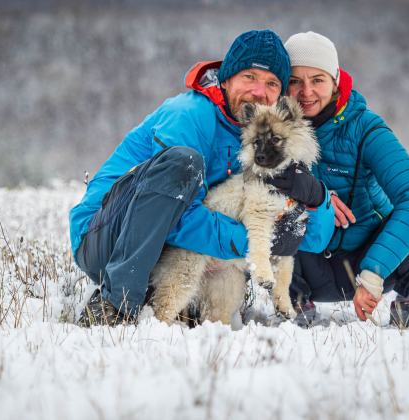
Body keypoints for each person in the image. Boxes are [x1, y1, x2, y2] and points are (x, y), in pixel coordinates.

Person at [69, 30, 335, 326]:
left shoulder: (267, 140)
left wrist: (316, 197)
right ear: (226, 78)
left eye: (271, 83)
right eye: (249, 77)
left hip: (175, 251)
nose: (260, 92)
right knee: (184, 163)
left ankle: (178, 305)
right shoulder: (189, 114)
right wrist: (257, 243)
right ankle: (115, 304)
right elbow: (171, 214)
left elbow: (313, 239)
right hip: (105, 236)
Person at [275, 31, 409, 327]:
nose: (306, 92)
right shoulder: (268, 129)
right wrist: (316, 198)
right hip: (303, 264)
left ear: (336, 81)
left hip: (367, 257)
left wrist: (374, 271)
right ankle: (293, 304)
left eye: (318, 80)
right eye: (295, 81)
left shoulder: (365, 128)